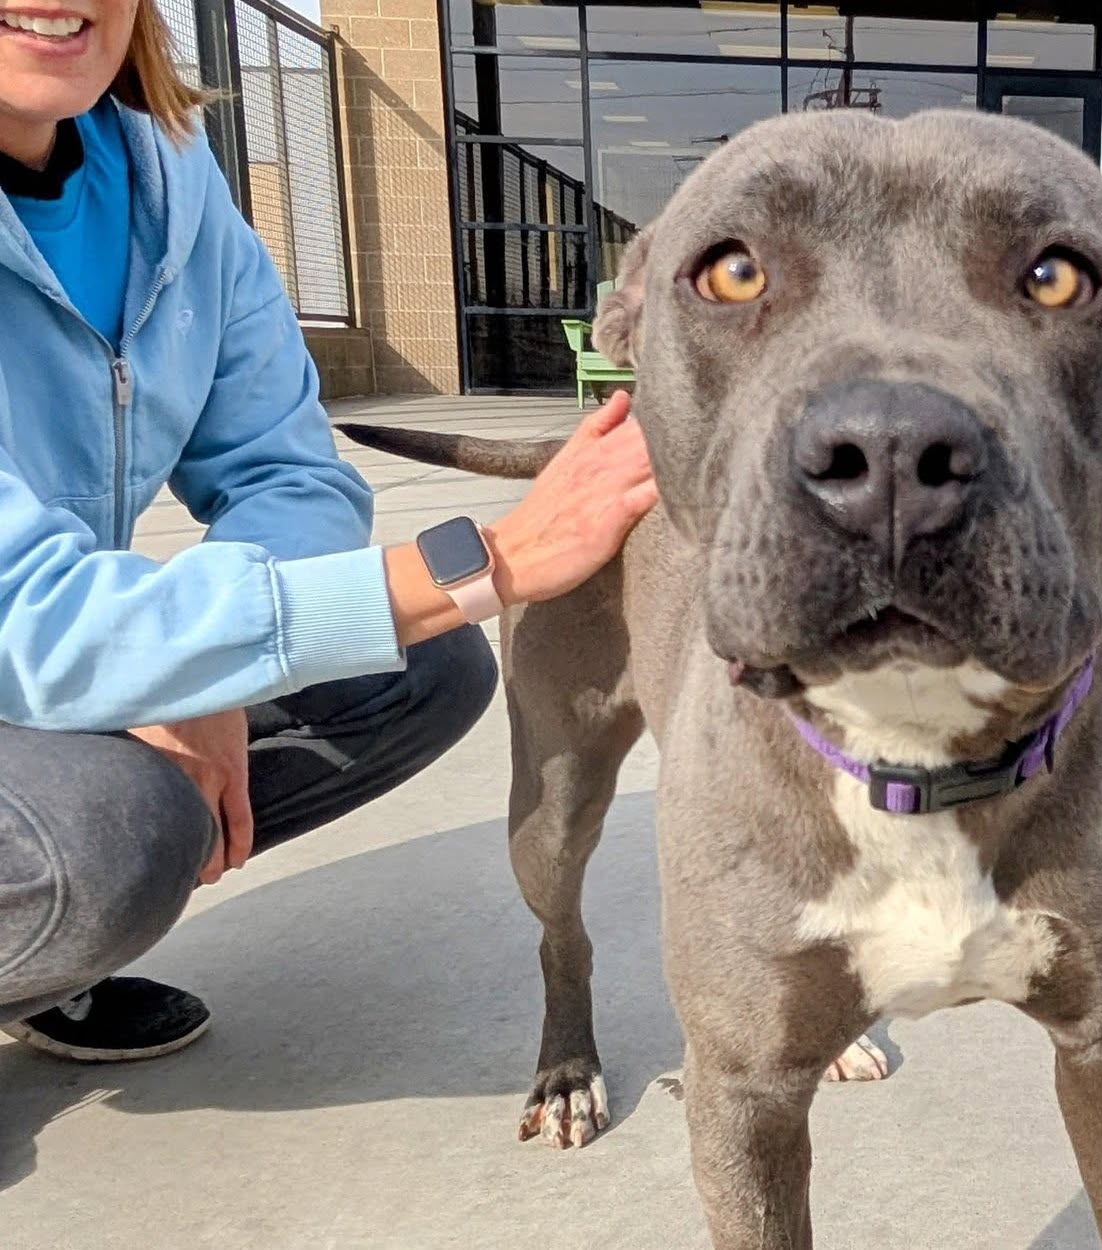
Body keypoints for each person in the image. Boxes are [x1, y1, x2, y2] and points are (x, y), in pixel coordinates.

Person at [0, 0, 658, 1061]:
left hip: (41, 672)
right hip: (23, 646)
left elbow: (284, 467)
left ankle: (45, 962)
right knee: (111, 836)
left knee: (422, 665)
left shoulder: (169, 180)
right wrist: (492, 562)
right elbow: (23, 618)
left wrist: (206, 674)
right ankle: (45, 917)